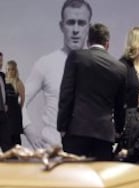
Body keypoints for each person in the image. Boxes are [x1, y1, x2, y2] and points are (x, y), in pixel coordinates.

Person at [24, 0, 92, 149]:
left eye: (81, 23)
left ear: (88, 27)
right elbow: (19, 101)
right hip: (54, 152)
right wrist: (30, 133)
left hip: (88, 153)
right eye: (70, 23)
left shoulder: (98, 65)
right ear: (62, 26)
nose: (75, 30)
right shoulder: (45, 63)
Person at [57, 23, 127, 160]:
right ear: (107, 43)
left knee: (74, 177)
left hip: (77, 130)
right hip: (104, 134)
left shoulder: (76, 57)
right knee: (99, 178)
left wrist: (62, 126)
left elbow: (66, 94)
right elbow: (120, 105)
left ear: (88, 42)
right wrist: (118, 131)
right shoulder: (120, 68)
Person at [5, 60, 25, 146]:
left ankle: (17, 157)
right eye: (8, 69)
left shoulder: (18, 83)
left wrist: (18, 109)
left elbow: (23, 98)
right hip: (6, 113)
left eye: (12, 69)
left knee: (16, 137)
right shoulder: (3, 81)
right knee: (7, 136)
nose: (10, 71)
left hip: (15, 113)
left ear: (15, 70)